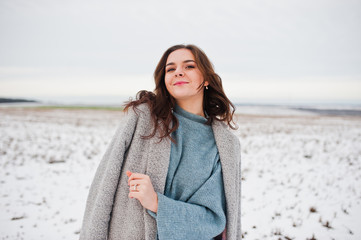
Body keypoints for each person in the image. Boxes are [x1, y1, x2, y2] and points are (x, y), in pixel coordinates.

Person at [79, 44, 241, 240]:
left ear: (206, 78)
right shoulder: (142, 118)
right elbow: (104, 185)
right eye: (170, 69)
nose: (178, 72)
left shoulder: (223, 145)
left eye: (189, 66)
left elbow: (213, 220)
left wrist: (156, 203)